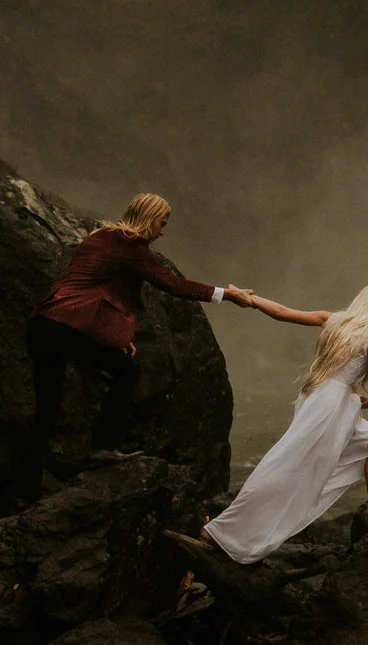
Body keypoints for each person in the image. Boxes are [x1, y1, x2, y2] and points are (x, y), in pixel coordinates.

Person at [22, 192, 251, 500]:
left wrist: (115, 335)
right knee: (126, 372)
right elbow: (174, 284)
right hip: (67, 328)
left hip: (43, 325)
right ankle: (103, 447)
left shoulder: (100, 236)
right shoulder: (132, 247)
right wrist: (227, 294)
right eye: (162, 223)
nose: (162, 232)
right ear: (148, 218)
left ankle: (24, 489)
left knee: (46, 411)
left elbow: (97, 289)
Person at [198, 283, 368, 563]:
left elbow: (281, 312)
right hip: (334, 404)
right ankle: (221, 530)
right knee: (287, 462)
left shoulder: (332, 320)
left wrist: (251, 298)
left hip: (316, 395)